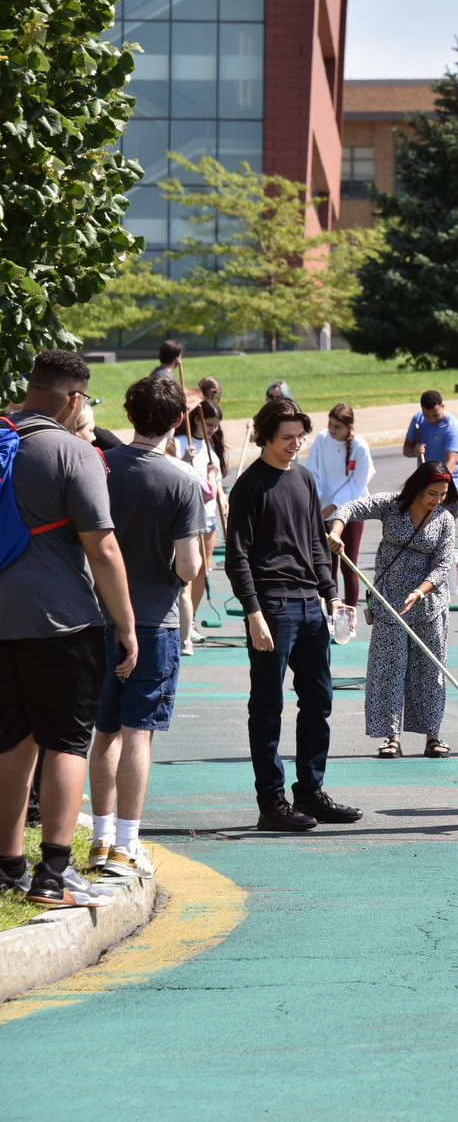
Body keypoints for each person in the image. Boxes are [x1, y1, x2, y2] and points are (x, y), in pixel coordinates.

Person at [0, 351, 136, 908]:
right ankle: (54, 876)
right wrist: (125, 625)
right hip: (61, 621)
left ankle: (8, 865)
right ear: (76, 399)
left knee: (10, 739)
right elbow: (102, 546)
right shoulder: (73, 451)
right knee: (68, 741)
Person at [87, 376, 206, 879]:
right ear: (177, 421)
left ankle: (98, 838)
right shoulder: (181, 480)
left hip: (95, 617)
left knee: (104, 730)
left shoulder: (97, 467)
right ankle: (128, 843)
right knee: (140, 732)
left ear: (129, 414)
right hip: (153, 620)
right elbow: (187, 566)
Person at [227, 396, 360, 831]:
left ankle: (310, 792)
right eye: (286, 437)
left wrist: (333, 595)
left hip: (311, 607)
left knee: (319, 701)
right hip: (273, 606)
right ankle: (271, 802)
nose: (294, 444)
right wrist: (253, 613)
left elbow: (317, 545)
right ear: (265, 436)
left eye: (299, 436)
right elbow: (238, 557)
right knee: (267, 706)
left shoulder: (304, 480)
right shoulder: (249, 486)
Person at [326, 463, 457, 758]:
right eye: (431, 493)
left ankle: (432, 736)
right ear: (417, 488)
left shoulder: (445, 520)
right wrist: (336, 531)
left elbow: (443, 565)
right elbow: (350, 508)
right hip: (389, 602)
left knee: (430, 670)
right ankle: (391, 737)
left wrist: (420, 591)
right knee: (389, 669)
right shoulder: (391, 506)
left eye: (443, 494)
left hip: (428, 604)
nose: (437, 500)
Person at [303, 403, 373, 633]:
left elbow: (357, 484)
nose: (332, 430)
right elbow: (312, 472)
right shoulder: (322, 440)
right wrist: (319, 503)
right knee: (327, 565)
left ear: (349, 427)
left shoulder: (360, 448)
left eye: (337, 426)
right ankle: (330, 617)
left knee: (348, 564)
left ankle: (348, 620)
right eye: (330, 424)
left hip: (351, 511)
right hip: (323, 508)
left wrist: (333, 506)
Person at [173, 398, 226, 653]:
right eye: (210, 424)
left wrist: (222, 496)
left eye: (216, 425)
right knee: (190, 570)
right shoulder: (182, 442)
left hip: (210, 515)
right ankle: (184, 622)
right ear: (196, 420)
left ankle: (191, 618)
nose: (213, 429)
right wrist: (185, 457)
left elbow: (216, 478)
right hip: (190, 515)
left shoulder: (211, 444)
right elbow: (175, 472)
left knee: (204, 569)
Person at [403, 390, 458, 515]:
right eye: (427, 416)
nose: (431, 420)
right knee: (422, 528)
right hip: (425, 487)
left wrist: (436, 486)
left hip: (447, 488)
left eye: (436, 415)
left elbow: (451, 463)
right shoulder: (418, 418)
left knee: (442, 530)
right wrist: (414, 451)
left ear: (443, 407)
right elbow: (406, 450)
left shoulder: (453, 427)